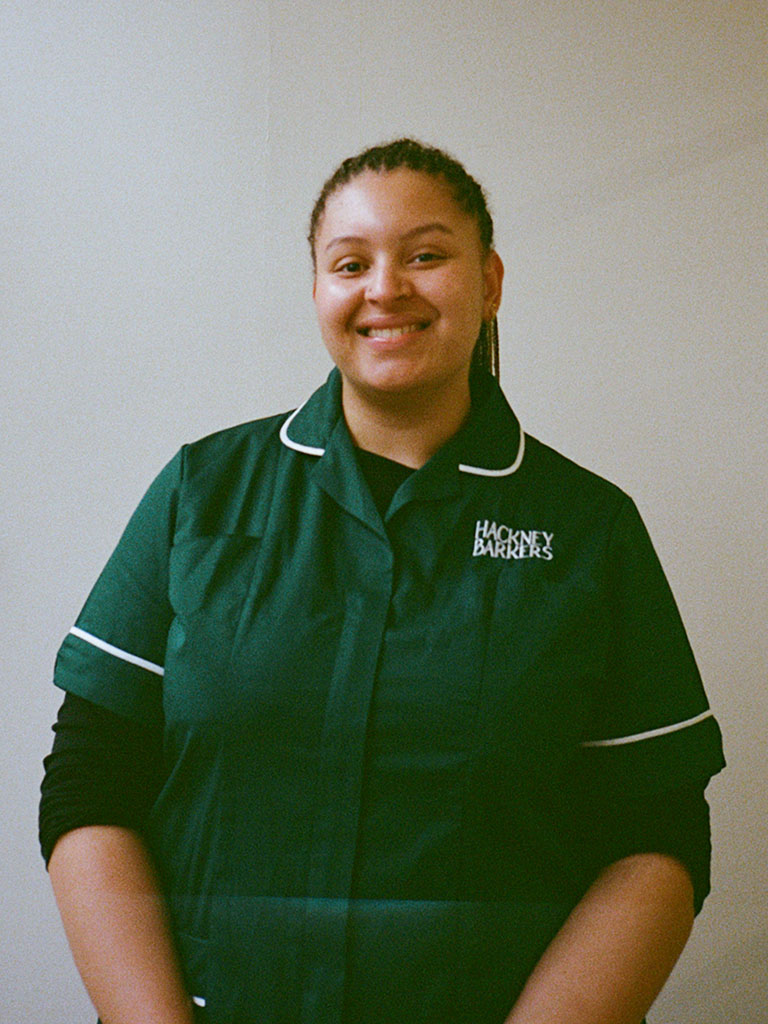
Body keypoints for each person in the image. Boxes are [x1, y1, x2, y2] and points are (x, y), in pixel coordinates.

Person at [40, 138, 725, 1024]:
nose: (386, 288)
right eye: (351, 263)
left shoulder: (590, 530)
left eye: (426, 255)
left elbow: (657, 834)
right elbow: (90, 783)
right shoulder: (200, 495)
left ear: (490, 281)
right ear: (318, 291)